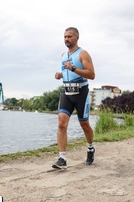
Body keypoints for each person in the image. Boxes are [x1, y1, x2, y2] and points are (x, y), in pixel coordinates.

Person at [53, 27, 96, 169]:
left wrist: (73, 69)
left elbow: (91, 74)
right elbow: (67, 72)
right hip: (66, 92)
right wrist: (60, 75)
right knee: (61, 123)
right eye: (65, 37)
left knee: (84, 124)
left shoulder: (83, 54)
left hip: (81, 93)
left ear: (77, 37)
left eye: (69, 36)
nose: (66, 39)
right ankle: (62, 158)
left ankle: (90, 147)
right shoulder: (63, 55)